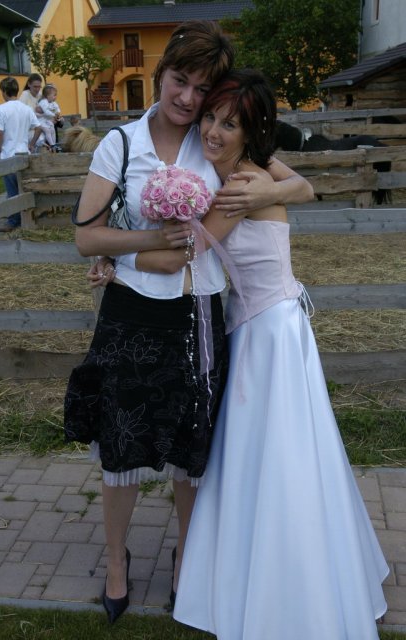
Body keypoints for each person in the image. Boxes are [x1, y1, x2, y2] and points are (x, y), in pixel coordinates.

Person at [63, 21, 313, 625]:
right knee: (120, 451)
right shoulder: (120, 145)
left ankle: (186, 563)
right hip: (130, 313)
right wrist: (141, 246)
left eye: (201, 88)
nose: (188, 98)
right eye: (180, 80)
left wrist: (263, 196)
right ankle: (117, 562)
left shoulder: (217, 138)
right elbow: (87, 236)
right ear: (161, 74)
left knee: (192, 450)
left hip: (199, 312)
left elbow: (298, 185)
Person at [135, 69, 388, 639]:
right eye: (210, 118)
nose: (213, 131)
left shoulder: (241, 185)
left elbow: (184, 254)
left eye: (229, 125)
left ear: (250, 133)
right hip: (265, 325)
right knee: (283, 450)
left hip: (267, 331)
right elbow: (301, 184)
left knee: (279, 455)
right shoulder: (253, 172)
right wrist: (279, 189)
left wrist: (114, 254)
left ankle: (289, 582)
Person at [0, 76, 42, 232]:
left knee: (12, 192)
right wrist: (31, 144)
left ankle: (13, 221)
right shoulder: (26, 109)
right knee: (24, 188)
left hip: (8, 155)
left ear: (4, 91)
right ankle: (27, 218)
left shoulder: (1, 109)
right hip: (23, 154)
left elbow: (0, 133)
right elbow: (38, 128)